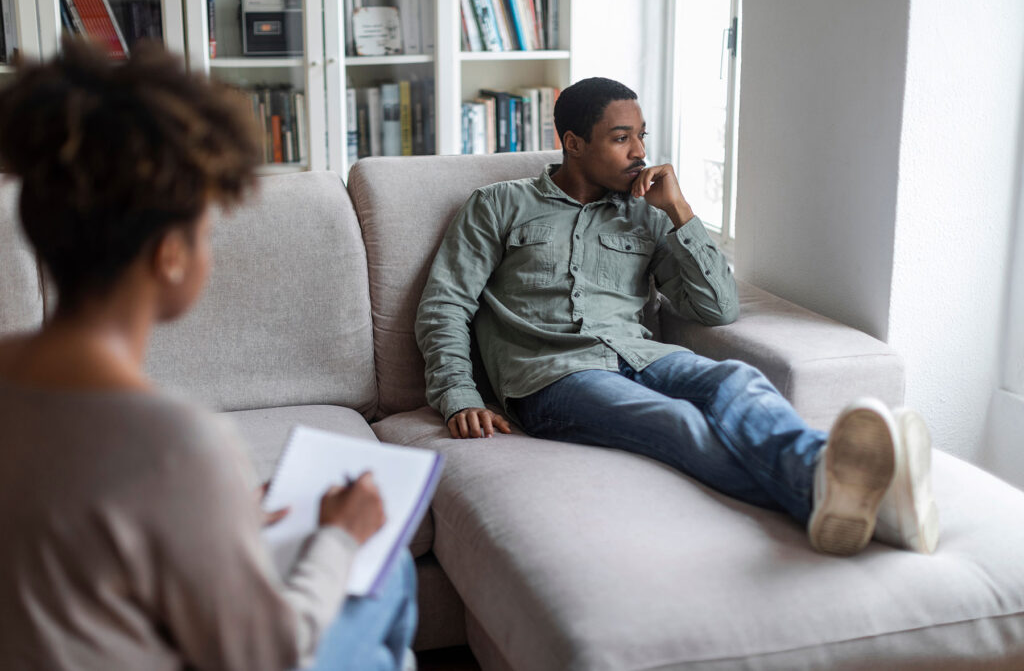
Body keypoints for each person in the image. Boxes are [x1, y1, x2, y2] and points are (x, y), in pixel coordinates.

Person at [0, 40, 415, 670]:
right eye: (204, 232)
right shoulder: (175, 444)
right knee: (387, 572)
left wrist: (216, 512)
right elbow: (265, 657)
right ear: (170, 255)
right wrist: (338, 536)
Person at [416, 77, 939, 557]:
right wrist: (458, 395)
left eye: (642, 136)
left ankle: (843, 490)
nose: (640, 152)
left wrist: (681, 211)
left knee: (736, 380)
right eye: (621, 138)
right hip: (553, 378)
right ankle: (847, 490)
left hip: (644, 357)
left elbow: (717, 307)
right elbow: (445, 305)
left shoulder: (647, 212)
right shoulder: (498, 205)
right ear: (573, 142)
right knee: (678, 422)